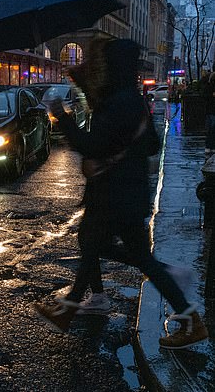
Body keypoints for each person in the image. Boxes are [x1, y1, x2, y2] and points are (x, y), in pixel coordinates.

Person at [33, 38, 209, 350]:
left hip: (112, 195)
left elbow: (91, 146)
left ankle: (70, 308)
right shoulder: (132, 99)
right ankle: (190, 318)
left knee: (92, 243)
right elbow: (151, 144)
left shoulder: (117, 102)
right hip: (129, 194)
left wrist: (62, 117)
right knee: (117, 251)